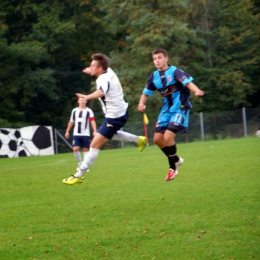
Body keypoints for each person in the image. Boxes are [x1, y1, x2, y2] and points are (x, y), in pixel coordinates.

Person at [63, 53, 147, 184]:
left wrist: (87, 97)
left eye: (92, 66)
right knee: (109, 135)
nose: (90, 67)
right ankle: (138, 140)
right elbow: (99, 73)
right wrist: (89, 70)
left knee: (94, 144)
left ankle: (79, 175)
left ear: (100, 69)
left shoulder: (101, 79)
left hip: (115, 117)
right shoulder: (109, 71)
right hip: (120, 113)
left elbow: (101, 91)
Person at [137, 49, 204, 181]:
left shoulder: (175, 71)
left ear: (166, 58)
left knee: (168, 137)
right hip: (166, 111)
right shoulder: (154, 76)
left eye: (160, 58)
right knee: (157, 139)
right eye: (155, 58)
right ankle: (177, 160)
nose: (157, 60)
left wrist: (196, 90)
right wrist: (141, 103)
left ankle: (172, 168)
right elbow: (146, 93)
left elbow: (188, 83)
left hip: (180, 108)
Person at [65, 97, 97, 171]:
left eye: (84, 100)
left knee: (85, 149)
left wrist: (95, 130)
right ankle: (80, 162)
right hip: (76, 133)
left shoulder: (89, 111)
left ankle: (85, 166)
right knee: (75, 149)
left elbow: (92, 121)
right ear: (78, 101)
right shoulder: (74, 111)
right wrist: (67, 131)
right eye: (81, 100)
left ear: (86, 101)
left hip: (86, 133)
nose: (82, 101)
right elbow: (71, 121)